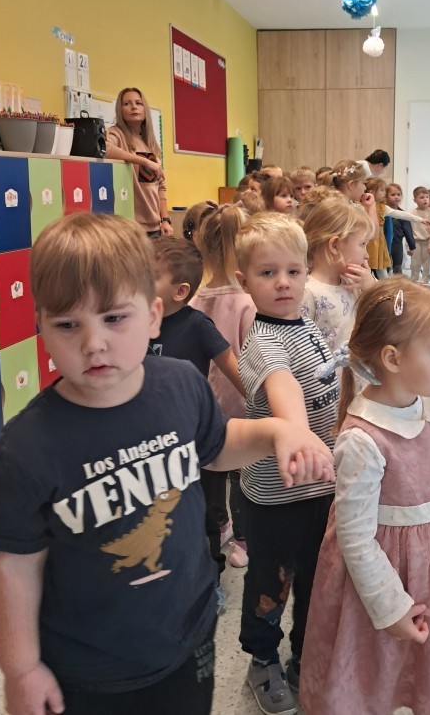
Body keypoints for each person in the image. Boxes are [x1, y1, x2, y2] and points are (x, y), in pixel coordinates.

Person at [0, 213, 334, 715]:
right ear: (41, 326)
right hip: (86, 666)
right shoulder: (25, 449)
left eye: (114, 318)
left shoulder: (180, 385)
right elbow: (15, 566)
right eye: (67, 324)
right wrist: (20, 668)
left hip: (187, 638)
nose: (93, 343)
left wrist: (276, 432)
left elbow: (217, 446)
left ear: (153, 316)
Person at [300, 278, 430, 715]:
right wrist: (391, 608)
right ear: (392, 358)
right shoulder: (362, 439)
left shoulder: (429, 403)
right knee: (378, 670)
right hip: (385, 576)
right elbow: (356, 539)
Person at [235, 213, 339, 715]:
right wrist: (298, 434)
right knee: (271, 583)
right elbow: (285, 388)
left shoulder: (307, 326)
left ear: (307, 272)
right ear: (244, 281)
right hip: (276, 496)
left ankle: (305, 654)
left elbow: (329, 378)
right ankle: (262, 659)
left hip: (321, 487)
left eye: (293, 272)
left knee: (318, 580)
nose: (283, 283)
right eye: (267, 273)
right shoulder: (262, 341)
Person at [148, 236, 243, 594]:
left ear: (180, 291)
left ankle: (210, 580)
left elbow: (236, 372)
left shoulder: (198, 325)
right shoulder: (136, 322)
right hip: (150, 441)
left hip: (195, 437)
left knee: (204, 512)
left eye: (150, 276)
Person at [191, 203, 256, 569]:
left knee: (212, 474)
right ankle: (242, 538)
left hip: (205, 410)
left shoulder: (193, 299)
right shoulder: (247, 303)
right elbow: (252, 359)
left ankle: (222, 525)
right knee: (242, 476)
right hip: (241, 408)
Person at [301, 196, 375, 354]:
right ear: (334, 245)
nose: (367, 255)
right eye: (362, 244)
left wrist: (371, 288)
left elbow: (385, 315)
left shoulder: (355, 281)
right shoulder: (308, 292)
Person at [105, 88, 173, 237]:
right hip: (128, 227)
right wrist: (144, 162)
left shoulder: (150, 143)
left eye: (138, 103)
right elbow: (104, 149)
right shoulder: (116, 134)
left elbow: (160, 187)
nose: (134, 107)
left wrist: (165, 220)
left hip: (155, 227)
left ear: (145, 109)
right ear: (120, 110)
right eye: (127, 103)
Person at [366, 178, 427, 280]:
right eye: (382, 190)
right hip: (366, 243)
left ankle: (389, 288)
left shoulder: (382, 208)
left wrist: (420, 219)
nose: (384, 193)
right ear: (372, 192)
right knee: (367, 270)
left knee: (383, 273)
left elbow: (401, 214)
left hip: (379, 244)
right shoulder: (360, 206)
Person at [386, 183, 416, 275]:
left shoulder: (403, 214)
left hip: (397, 244)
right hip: (385, 244)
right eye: (393, 195)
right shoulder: (383, 212)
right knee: (385, 268)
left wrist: (412, 246)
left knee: (397, 267)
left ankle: (398, 282)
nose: (396, 197)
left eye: (398, 194)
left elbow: (408, 231)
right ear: (386, 196)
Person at [409, 186, 430, 283]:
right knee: (415, 263)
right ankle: (414, 279)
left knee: (427, 263)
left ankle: (426, 280)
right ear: (415, 200)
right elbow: (409, 231)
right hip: (415, 242)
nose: (425, 199)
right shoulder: (412, 213)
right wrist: (409, 246)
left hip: (427, 241)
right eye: (422, 197)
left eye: (427, 197)